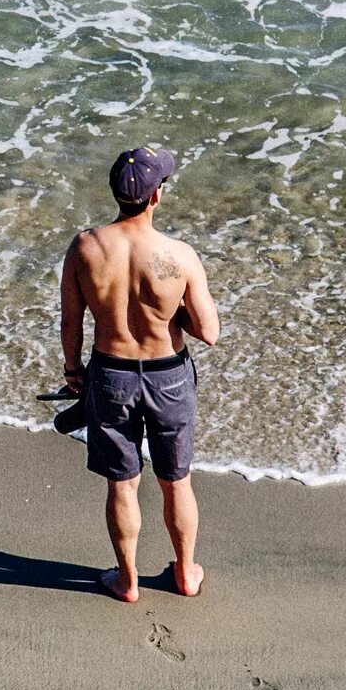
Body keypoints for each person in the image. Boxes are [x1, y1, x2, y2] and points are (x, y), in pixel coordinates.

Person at [58, 146, 220, 600]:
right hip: (169, 374)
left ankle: (127, 580)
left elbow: (72, 320)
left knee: (123, 484)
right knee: (176, 480)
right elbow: (209, 331)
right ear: (156, 197)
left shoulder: (86, 246)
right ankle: (186, 573)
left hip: (110, 374)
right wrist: (173, 315)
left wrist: (74, 370)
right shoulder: (179, 255)